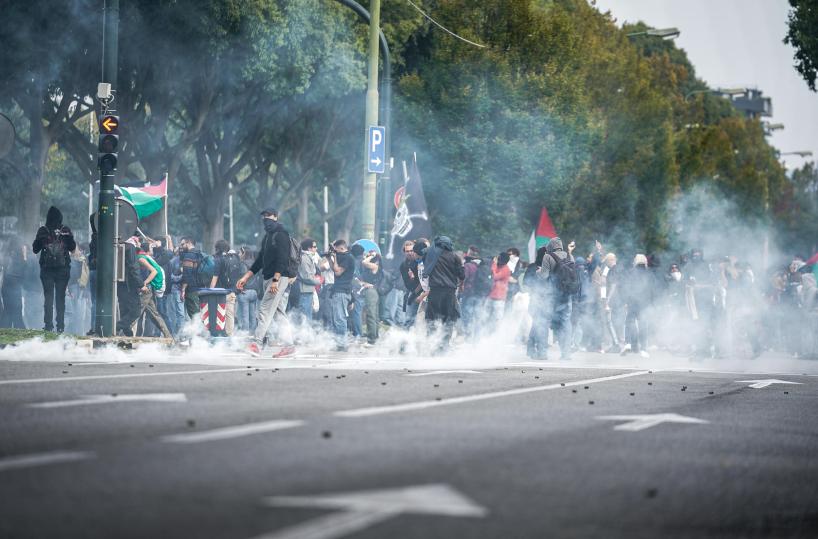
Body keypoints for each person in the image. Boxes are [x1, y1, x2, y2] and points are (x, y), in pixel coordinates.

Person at [237, 208, 295, 358]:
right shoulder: (267, 237)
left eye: (268, 216)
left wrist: (275, 280)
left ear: (276, 216)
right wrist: (245, 277)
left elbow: (282, 260)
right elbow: (259, 261)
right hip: (269, 278)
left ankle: (256, 344)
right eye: (264, 216)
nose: (266, 219)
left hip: (278, 278)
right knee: (278, 313)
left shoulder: (281, 234)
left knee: (264, 309)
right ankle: (289, 346)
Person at [32, 206, 76, 333]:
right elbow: (72, 247)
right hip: (63, 270)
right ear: (60, 217)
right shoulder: (65, 230)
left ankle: (48, 326)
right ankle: (60, 326)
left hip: (47, 270)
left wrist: (42, 240)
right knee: (60, 298)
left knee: (48, 298)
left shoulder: (43, 230)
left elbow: (35, 249)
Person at [423, 235, 464, 352]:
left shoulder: (431, 255)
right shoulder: (455, 257)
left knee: (431, 319)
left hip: (434, 292)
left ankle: (431, 344)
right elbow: (462, 275)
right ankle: (444, 346)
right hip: (449, 293)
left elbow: (422, 254)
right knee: (449, 320)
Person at [536, 237, 575, 360]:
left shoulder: (548, 257)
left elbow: (544, 276)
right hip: (567, 295)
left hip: (551, 296)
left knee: (544, 322)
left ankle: (542, 353)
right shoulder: (570, 256)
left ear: (551, 246)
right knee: (565, 323)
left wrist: (539, 272)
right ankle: (566, 353)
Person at [132, 241, 173, 339]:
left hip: (146, 288)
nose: (152, 250)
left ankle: (125, 333)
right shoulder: (147, 257)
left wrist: (144, 283)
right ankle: (169, 337)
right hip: (150, 288)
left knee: (136, 312)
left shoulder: (141, 258)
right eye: (151, 248)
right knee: (155, 314)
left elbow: (154, 271)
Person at [622, 254, 655, 357]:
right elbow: (652, 289)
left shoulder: (630, 273)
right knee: (643, 325)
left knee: (630, 322)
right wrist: (651, 303)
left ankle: (628, 343)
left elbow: (626, 288)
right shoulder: (649, 273)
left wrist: (626, 301)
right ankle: (643, 349)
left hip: (633, 301)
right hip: (644, 303)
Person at [326, 239, 356, 351]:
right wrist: (329, 258)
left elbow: (337, 272)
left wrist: (334, 258)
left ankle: (342, 344)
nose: (336, 252)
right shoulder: (344, 257)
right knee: (336, 318)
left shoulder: (348, 257)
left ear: (342, 248)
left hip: (342, 292)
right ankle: (339, 343)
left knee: (340, 318)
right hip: (339, 291)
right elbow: (334, 269)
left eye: (337, 250)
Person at [209, 239, 243, 336]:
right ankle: (230, 336)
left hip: (219, 293)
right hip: (231, 292)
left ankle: (218, 335)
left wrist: (210, 291)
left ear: (217, 248)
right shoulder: (234, 259)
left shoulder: (218, 260)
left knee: (217, 314)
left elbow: (215, 278)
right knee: (230, 315)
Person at [115, 235, 143, 337]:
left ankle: (127, 333)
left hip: (118, 283)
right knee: (136, 310)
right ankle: (117, 327)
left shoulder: (117, 247)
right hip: (129, 284)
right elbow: (134, 267)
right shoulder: (130, 247)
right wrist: (141, 284)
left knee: (124, 309)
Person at [0, 236, 27, 329]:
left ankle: (5, 332)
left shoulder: (7, 255)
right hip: (13, 288)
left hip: (7, 288)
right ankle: (19, 333)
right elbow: (20, 272)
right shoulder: (16, 257)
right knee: (15, 312)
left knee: (8, 311)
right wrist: (24, 258)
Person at [359, 247, 382, 346]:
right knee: (374, 315)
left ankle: (371, 339)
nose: (367, 255)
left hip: (371, 292)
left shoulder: (375, 266)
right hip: (371, 291)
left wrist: (372, 255)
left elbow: (364, 262)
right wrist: (363, 283)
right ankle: (375, 337)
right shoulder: (371, 268)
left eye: (369, 254)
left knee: (371, 315)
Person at [296, 238, 321, 326]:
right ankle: (304, 334)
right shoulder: (304, 258)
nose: (316, 248)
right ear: (309, 248)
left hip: (308, 290)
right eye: (314, 246)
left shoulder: (308, 257)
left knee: (307, 316)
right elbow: (306, 277)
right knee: (305, 317)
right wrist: (318, 281)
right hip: (304, 291)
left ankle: (307, 333)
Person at [179, 237, 205, 320]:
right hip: (199, 287)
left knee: (194, 315)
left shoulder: (189, 256)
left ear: (189, 243)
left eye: (183, 244)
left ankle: (199, 329)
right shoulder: (199, 254)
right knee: (198, 313)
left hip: (191, 289)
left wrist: (183, 290)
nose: (181, 247)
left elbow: (187, 274)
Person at [236, 246, 259, 332]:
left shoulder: (242, 264)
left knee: (244, 316)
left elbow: (241, 276)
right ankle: (253, 333)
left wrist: (239, 288)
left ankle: (245, 333)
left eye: (240, 253)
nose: (239, 254)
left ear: (244, 253)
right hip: (254, 291)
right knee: (252, 315)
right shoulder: (255, 264)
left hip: (244, 291)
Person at [399, 240, 422, 329]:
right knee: (409, 319)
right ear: (404, 252)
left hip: (427, 292)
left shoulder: (421, 260)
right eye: (407, 251)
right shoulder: (404, 265)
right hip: (414, 292)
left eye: (411, 250)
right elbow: (407, 284)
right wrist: (412, 278)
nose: (410, 253)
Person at [488, 252, 512, 321]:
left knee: (497, 319)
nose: (497, 259)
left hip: (499, 298)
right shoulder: (498, 266)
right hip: (491, 295)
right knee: (486, 315)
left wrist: (494, 265)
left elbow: (495, 276)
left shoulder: (506, 269)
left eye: (499, 258)